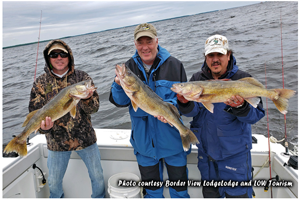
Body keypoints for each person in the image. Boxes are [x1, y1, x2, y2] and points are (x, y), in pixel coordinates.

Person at [177, 35, 265, 198]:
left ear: (229, 55)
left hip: (235, 155)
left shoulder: (242, 78)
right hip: (207, 155)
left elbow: (256, 115)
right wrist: (184, 103)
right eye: (211, 55)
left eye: (219, 55)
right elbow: (192, 112)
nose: (215, 60)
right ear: (205, 57)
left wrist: (241, 107)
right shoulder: (197, 79)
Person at [109, 23, 190, 198]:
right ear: (135, 44)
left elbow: (185, 101)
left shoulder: (175, 65)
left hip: (173, 142)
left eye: (149, 41)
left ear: (156, 41)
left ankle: (186, 134)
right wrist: (118, 84)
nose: (145, 47)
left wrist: (171, 108)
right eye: (140, 42)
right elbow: (120, 101)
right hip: (144, 145)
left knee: (180, 193)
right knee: (152, 194)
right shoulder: (128, 67)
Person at [29, 39, 105, 198]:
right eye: (54, 54)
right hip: (56, 142)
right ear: (48, 59)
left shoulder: (82, 77)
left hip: (86, 138)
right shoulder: (40, 83)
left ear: (69, 56)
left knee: (97, 176)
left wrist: (86, 99)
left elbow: (95, 108)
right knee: (54, 183)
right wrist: (44, 128)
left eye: (62, 54)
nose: (59, 57)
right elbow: (35, 112)